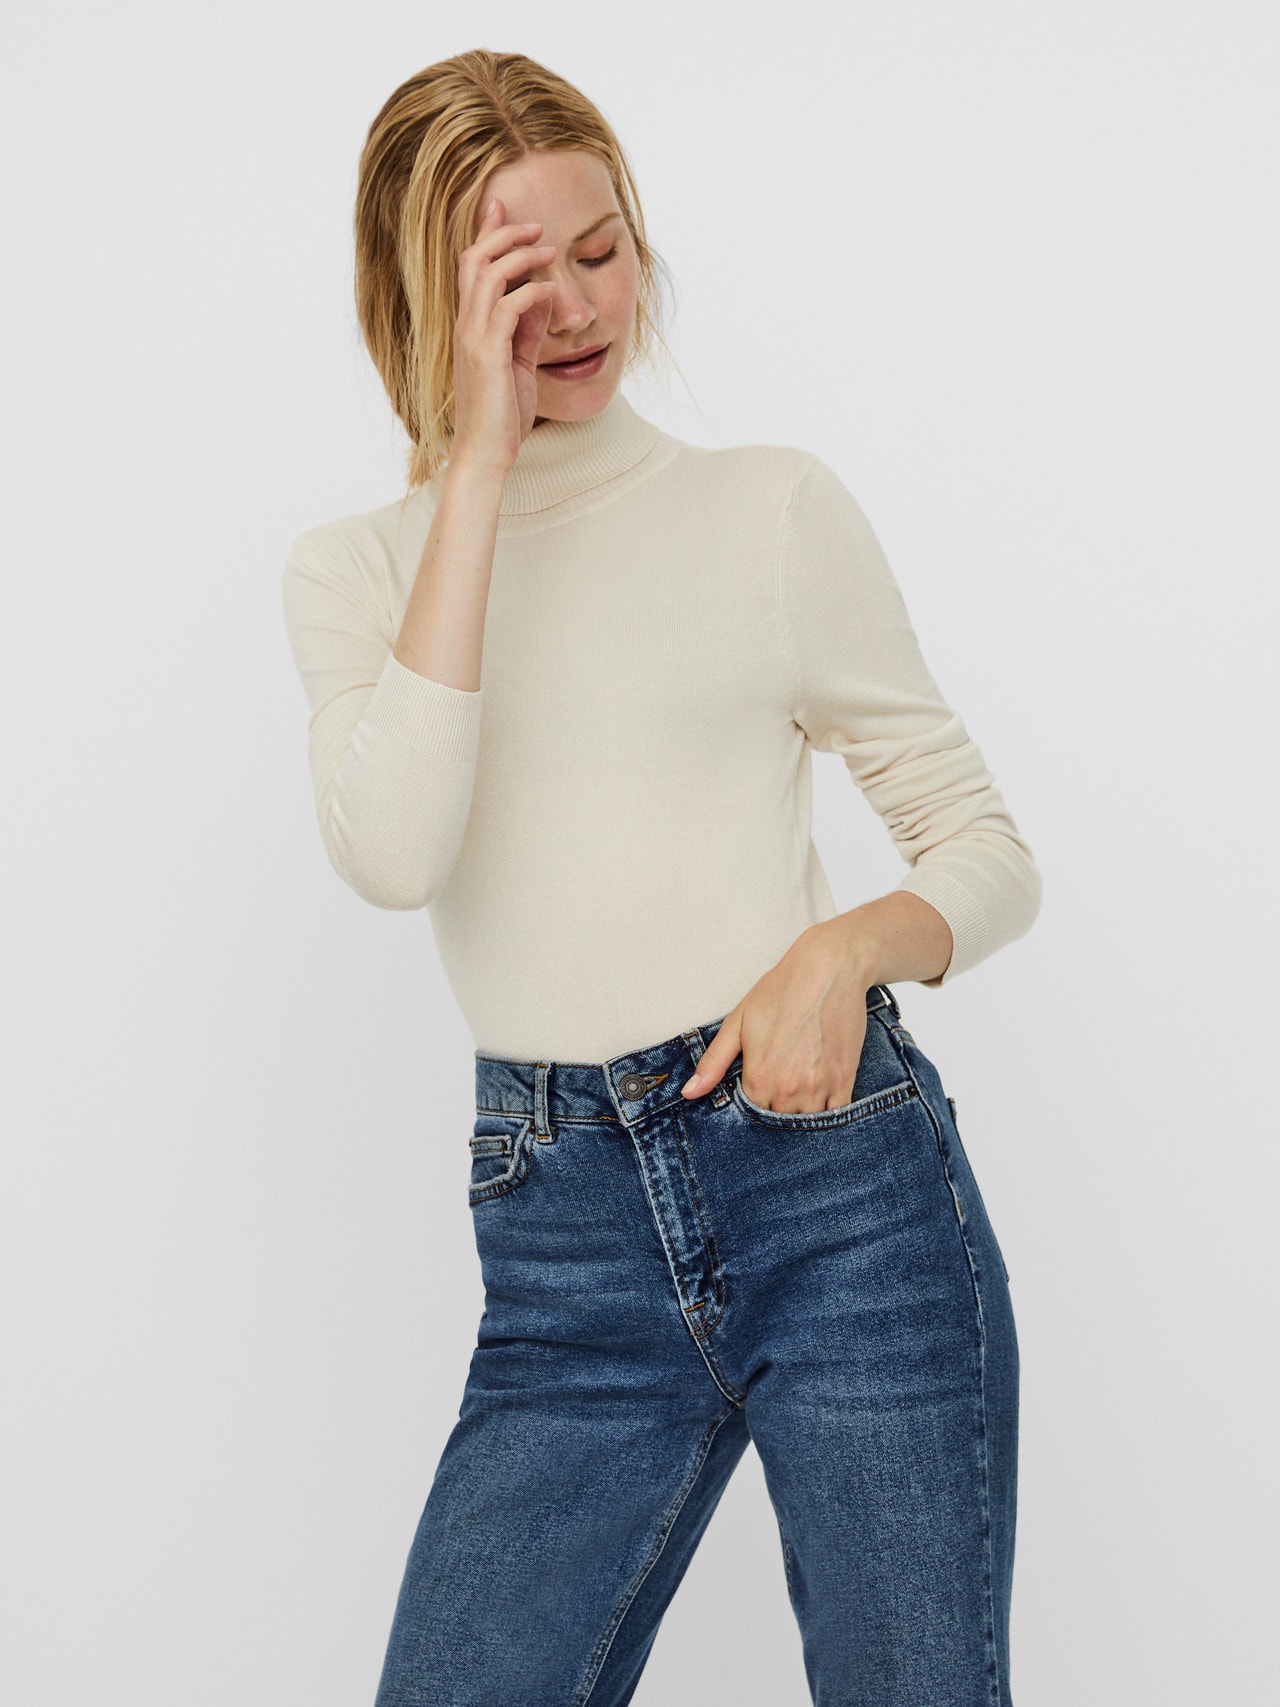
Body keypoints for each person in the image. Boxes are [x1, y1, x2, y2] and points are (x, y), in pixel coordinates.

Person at [281, 47, 1042, 1707]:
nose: (572, 307)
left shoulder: (768, 512)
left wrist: (841, 952)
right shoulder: (358, 575)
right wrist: (479, 470)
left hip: (837, 1194)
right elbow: (394, 855)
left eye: (602, 249)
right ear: (425, 300)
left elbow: (985, 849)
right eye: (514, 279)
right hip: (563, 1252)